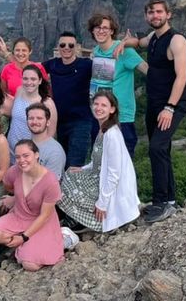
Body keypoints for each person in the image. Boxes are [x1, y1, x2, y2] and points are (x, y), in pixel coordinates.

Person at [119, 0, 186, 224]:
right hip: (154, 101)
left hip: (171, 104)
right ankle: (169, 200)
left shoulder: (176, 40)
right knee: (162, 149)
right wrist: (124, 43)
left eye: (159, 12)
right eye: (151, 12)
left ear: (168, 14)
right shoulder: (153, 38)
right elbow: (139, 42)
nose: (155, 16)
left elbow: (183, 77)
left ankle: (161, 202)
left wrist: (170, 108)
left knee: (156, 147)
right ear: (146, 16)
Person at [58, 90, 140, 233]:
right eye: (96, 104)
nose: (98, 108)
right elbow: (98, 160)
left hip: (110, 184)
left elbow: (114, 174)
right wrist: (83, 169)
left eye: (104, 105)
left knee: (70, 189)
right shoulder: (103, 129)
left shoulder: (112, 135)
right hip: (98, 174)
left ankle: (93, 220)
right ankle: (76, 217)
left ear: (112, 109)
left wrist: (102, 203)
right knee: (69, 174)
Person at [0, 140, 64, 271]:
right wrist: (15, 198)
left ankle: (63, 238)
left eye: (26, 155)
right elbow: (8, 185)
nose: (21, 160)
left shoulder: (50, 182)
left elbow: (45, 215)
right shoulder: (14, 171)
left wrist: (23, 237)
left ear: (36, 155)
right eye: (17, 157)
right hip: (19, 215)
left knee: (30, 265)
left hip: (41, 221)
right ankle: (21, 245)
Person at [88, 12, 148, 158]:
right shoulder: (96, 51)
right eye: (97, 27)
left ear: (112, 31)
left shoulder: (124, 51)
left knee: (123, 164)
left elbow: (148, 71)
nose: (101, 31)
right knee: (99, 162)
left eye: (105, 28)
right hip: (99, 116)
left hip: (121, 118)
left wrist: (181, 81)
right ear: (92, 31)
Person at [43, 31, 94, 168]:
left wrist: (123, 45)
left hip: (81, 121)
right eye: (63, 44)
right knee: (62, 163)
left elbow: (107, 69)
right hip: (59, 123)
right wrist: (8, 55)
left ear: (76, 47)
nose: (66, 47)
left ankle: (73, 189)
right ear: (58, 47)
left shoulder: (86, 65)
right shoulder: (53, 64)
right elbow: (29, 69)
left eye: (71, 45)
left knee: (75, 165)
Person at [6, 65, 58, 164]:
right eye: (25, 78)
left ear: (40, 81)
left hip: (29, 155)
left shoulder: (47, 103)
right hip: (11, 150)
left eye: (33, 79)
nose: (29, 82)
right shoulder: (19, 91)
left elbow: (51, 134)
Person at [24, 102, 65, 181]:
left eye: (39, 118)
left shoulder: (55, 152)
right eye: (31, 118)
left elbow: (50, 185)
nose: (34, 122)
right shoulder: (25, 145)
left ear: (48, 122)